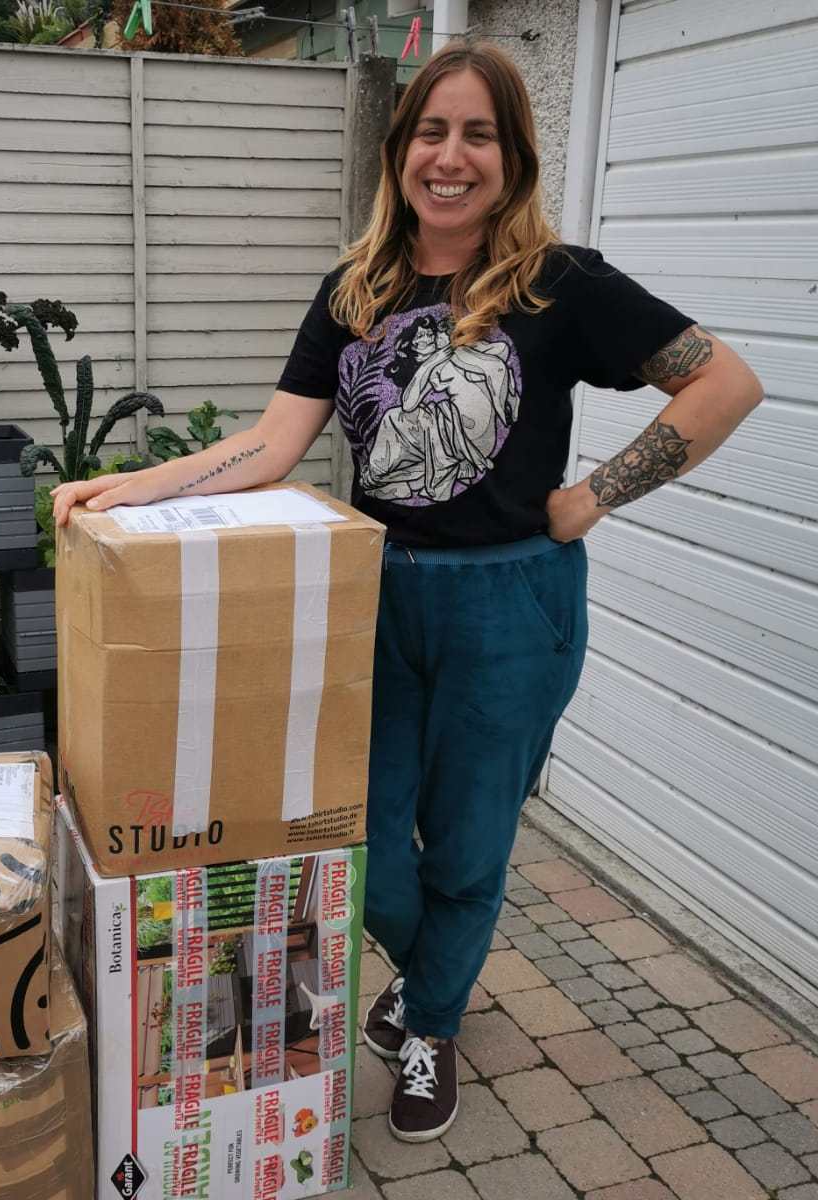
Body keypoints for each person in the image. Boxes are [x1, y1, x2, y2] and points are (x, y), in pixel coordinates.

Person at [52, 42, 762, 1143]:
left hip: (511, 604)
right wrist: (135, 487)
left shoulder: (559, 283)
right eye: (432, 131)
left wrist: (590, 499)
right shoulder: (357, 289)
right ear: (400, 150)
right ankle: (433, 978)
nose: (451, 156)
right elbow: (273, 444)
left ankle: (430, 1022)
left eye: (479, 134)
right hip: (372, 596)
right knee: (361, 839)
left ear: (513, 156)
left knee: (469, 845)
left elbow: (724, 382)